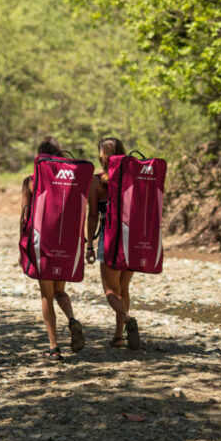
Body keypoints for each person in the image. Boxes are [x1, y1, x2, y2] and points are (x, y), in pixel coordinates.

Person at [21, 136, 85, 361]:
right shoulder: (73, 179)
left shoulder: (31, 180)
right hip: (66, 244)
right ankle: (72, 320)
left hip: (44, 244)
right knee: (60, 290)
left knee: (46, 295)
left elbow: (25, 215)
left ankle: (54, 346)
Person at [85, 137, 142, 350]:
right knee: (123, 289)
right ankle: (119, 337)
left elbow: (92, 216)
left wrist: (89, 245)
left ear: (103, 156)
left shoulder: (97, 182)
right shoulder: (134, 178)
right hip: (133, 239)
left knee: (110, 290)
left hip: (110, 240)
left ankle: (127, 320)